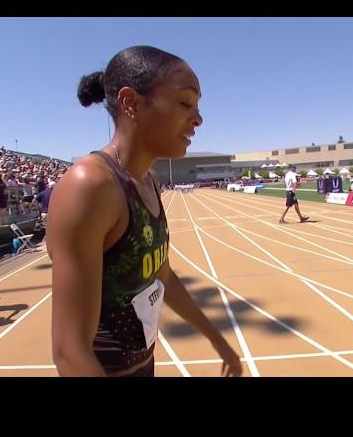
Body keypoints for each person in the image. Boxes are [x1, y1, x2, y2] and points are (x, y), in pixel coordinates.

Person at [48, 45, 242, 377]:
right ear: (131, 103)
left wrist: (218, 340)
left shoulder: (148, 181)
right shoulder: (90, 187)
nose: (198, 118)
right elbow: (70, 352)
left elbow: (161, 274)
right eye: (185, 103)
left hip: (144, 366)